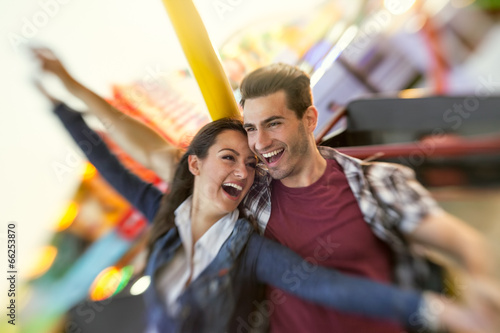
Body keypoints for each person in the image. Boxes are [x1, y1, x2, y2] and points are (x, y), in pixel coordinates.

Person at [32, 47, 500, 332]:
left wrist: (459, 297)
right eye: (251, 132)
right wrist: (65, 93)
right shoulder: (205, 202)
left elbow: (337, 284)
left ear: (308, 120)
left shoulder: (364, 187)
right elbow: (126, 155)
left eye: (272, 126)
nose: (255, 151)